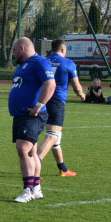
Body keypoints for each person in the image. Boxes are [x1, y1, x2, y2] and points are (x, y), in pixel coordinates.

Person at [7, 37, 56, 203]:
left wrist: (39, 105)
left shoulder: (39, 62)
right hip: (21, 114)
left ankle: (27, 190)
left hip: (32, 114)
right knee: (32, 151)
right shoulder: (24, 65)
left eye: (14, 51)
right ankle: (36, 188)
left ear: (22, 48)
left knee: (23, 148)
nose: (13, 54)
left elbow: (50, 84)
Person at [37, 39, 85, 177]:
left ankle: (63, 169)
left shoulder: (44, 61)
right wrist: (82, 95)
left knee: (56, 138)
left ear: (52, 49)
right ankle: (34, 164)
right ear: (63, 50)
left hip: (42, 100)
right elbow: (76, 87)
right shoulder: (68, 63)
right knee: (53, 135)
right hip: (56, 101)